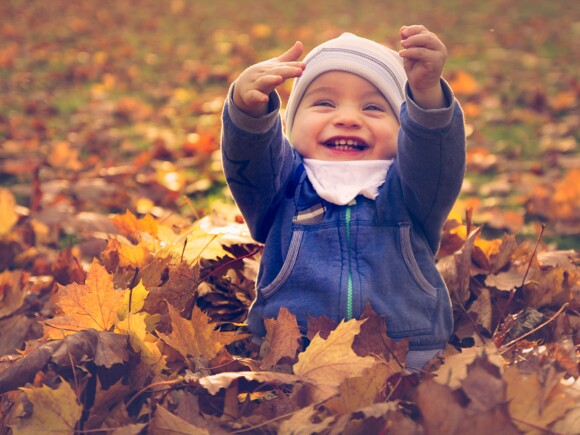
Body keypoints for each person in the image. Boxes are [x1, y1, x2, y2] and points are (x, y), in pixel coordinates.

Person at [220, 25, 466, 370]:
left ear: (403, 130)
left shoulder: (409, 187)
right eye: (324, 103)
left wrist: (427, 99)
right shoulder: (283, 183)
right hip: (292, 353)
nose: (348, 118)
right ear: (293, 123)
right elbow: (249, 163)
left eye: (373, 108)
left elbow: (436, 158)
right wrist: (247, 115)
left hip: (408, 352)